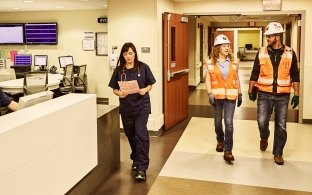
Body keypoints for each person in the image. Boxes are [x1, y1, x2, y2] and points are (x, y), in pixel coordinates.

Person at [248, 22, 300, 165]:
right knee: (262, 121)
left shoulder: (290, 53)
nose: (267, 39)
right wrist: (250, 90)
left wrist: (297, 94)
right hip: (264, 93)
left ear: (277, 37)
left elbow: (295, 75)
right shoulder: (262, 52)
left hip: (283, 95)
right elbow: (255, 72)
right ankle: (264, 137)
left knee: (281, 124)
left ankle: (278, 153)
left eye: (269, 36)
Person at [108, 42, 156, 180]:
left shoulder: (143, 67)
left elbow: (150, 84)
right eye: (125, 54)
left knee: (141, 134)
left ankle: (142, 168)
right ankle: (135, 157)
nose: (128, 56)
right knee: (130, 134)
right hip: (126, 106)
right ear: (122, 55)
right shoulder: (119, 70)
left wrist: (144, 90)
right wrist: (119, 93)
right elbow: (114, 89)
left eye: (130, 53)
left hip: (142, 106)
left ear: (135, 53)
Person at [204, 34, 242, 163]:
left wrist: (240, 93)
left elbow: (236, 78)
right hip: (217, 96)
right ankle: (220, 140)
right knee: (217, 122)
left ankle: (228, 150)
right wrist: (209, 94)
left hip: (231, 96)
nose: (227, 48)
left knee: (229, 123)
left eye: (228, 45)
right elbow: (208, 79)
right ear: (217, 48)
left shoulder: (234, 61)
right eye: (224, 45)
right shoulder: (209, 62)